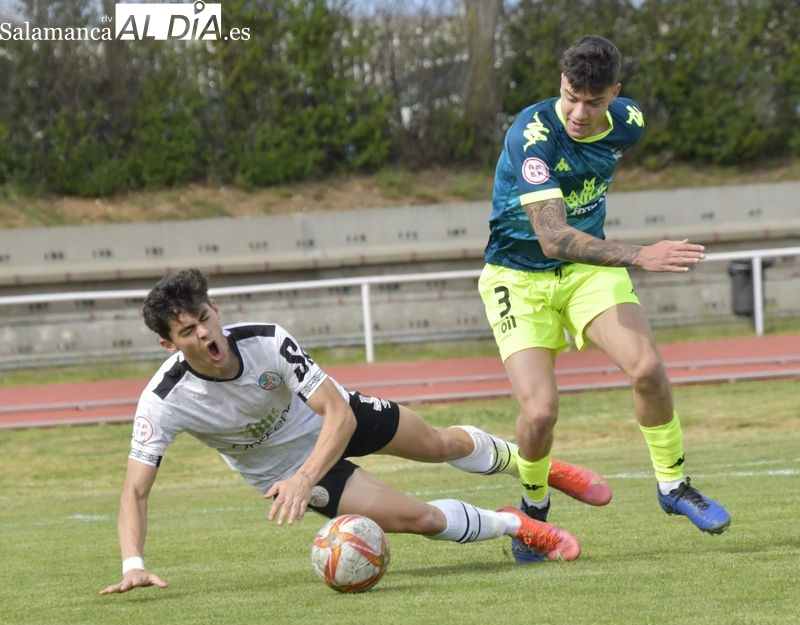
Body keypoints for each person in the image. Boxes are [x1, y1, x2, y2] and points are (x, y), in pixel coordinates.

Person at [100, 268, 612, 595]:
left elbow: (339, 416)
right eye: (187, 332)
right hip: (281, 468)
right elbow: (135, 490)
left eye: (205, 319)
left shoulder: (267, 341)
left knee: (439, 444)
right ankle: (518, 526)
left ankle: (538, 465)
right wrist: (133, 563)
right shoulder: (163, 400)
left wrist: (305, 478)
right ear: (170, 345)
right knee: (419, 519)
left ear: (217, 310)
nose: (205, 334)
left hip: (330, 422)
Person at [478, 35, 730, 562]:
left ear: (615, 94)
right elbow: (552, 236)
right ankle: (534, 507)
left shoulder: (630, 123)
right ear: (560, 86)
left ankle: (673, 486)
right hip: (517, 277)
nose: (579, 111)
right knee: (541, 412)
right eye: (571, 96)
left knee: (647, 370)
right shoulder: (533, 135)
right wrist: (640, 254)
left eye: (593, 101)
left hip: (587, 273)